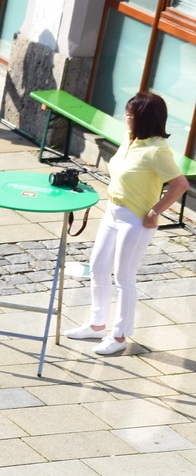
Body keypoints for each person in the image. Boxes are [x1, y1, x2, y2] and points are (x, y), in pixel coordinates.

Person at [65, 94, 191, 356]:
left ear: (144, 119)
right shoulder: (130, 138)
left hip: (135, 219)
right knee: (98, 268)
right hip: (112, 212)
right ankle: (97, 324)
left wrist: (156, 211)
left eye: (130, 115)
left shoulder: (157, 151)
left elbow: (180, 184)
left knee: (124, 277)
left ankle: (120, 335)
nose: (126, 118)